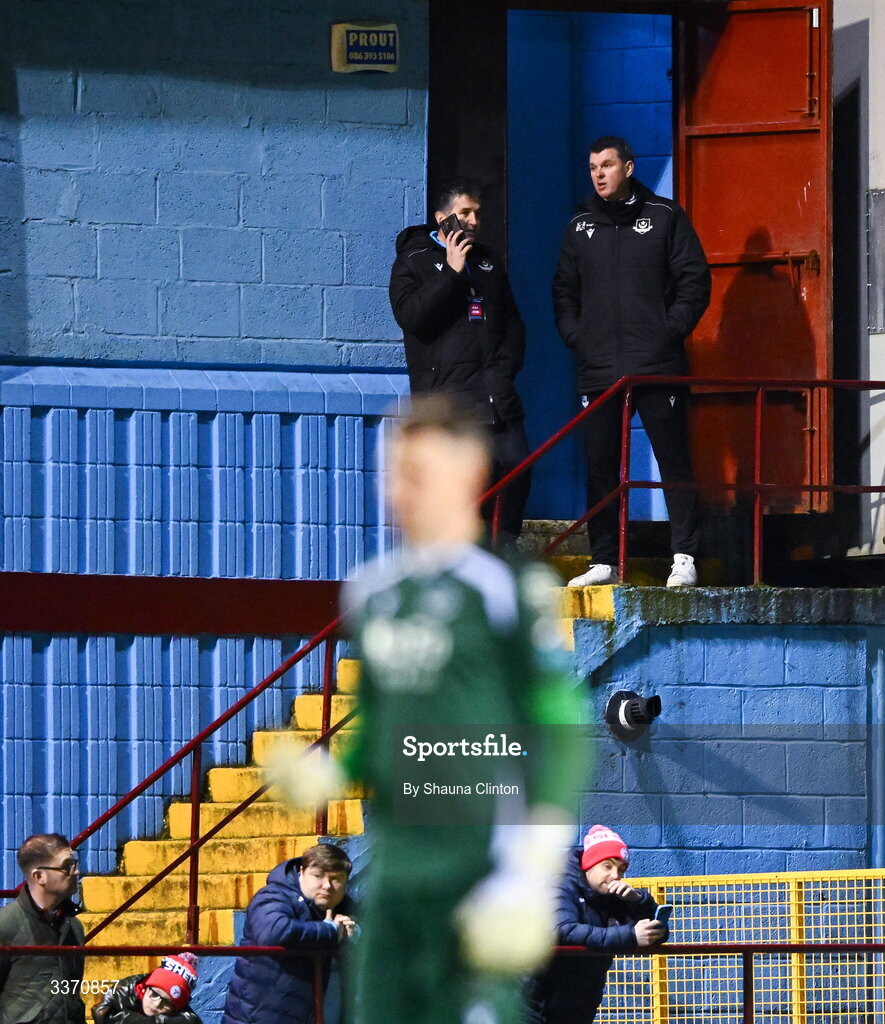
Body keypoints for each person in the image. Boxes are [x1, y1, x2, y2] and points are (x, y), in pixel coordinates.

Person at [270, 394, 586, 1024]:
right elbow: (380, 721)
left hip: (478, 875)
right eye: (394, 472)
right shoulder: (376, 591)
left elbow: (562, 738)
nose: (401, 490)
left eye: (419, 472)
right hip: (393, 880)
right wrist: (331, 772)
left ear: (468, 471)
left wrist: (528, 880)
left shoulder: (507, 590)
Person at [553, 136, 711, 588]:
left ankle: (684, 556)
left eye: (606, 165)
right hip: (599, 368)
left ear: (628, 166)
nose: (598, 174)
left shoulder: (664, 217)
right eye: (592, 167)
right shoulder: (579, 226)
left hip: (657, 363)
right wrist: (577, 337)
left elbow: (695, 279)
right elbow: (564, 290)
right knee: (600, 464)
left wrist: (668, 330)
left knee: (673, 460)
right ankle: (605, 560)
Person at [389, 181, 531, 546]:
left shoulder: (488, 261)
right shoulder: (414, 260)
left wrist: (505, 367)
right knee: (462, 480)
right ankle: (461, 550)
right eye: (464, 212)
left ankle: (505, 544)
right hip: (447, 394)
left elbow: (512, 322)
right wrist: (451, 272)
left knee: (516, 464)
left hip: (493, 390)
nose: (472, 220)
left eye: (477, 214)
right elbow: (411, 317)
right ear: (442, 218)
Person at [527, 825, 667, 1024]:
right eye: (607, 866)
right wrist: (630, 936)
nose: (615, 875)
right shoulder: (561, 886)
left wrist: (637, 900)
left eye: (621, 869)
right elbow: (563, 930)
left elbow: (656, 933)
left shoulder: (615, 897)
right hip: (537, 1005)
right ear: (588, 865)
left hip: (578, 1006)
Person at [220, 843, 357, 1024]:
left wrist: (357, 932)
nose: (327, 886)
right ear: (301, 872)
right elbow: (274, 931)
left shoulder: (347, 907)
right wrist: (330, 931)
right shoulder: (274, 896)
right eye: (318, 876)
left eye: (337, 879)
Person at [0, 833, 86, 1024]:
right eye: (67, 866)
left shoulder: (74, 926)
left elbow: (72, 993)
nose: (76, 871)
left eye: (75, 863)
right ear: (39, 876)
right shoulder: (5, 924)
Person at [92, 953, 201, 1024]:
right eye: (155, 994)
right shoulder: (123, 991)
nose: (157, 1004)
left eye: (166, 1003)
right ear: (144, 988)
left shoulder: (187, 1019)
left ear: (176, 1008)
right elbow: (100, 1012)